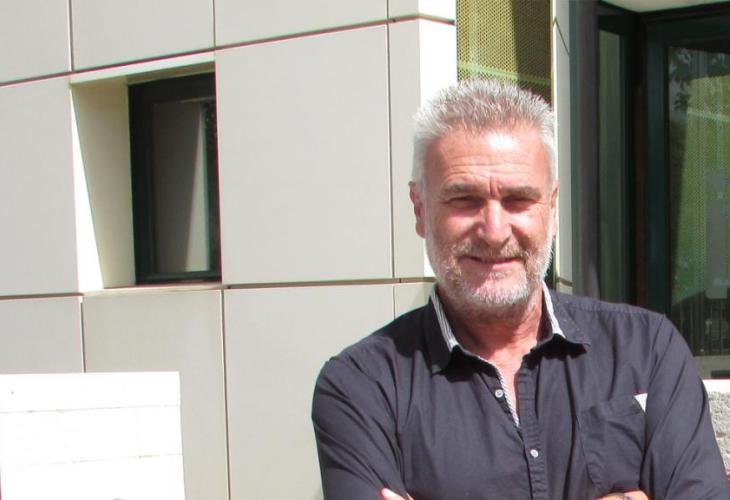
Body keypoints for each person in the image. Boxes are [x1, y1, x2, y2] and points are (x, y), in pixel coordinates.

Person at [311, 79, 729, 500]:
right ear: (420, 209)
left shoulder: (647, 349)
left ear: (552, 207)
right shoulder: (362, 388)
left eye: (517, 200)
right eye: (464, 199)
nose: (494, 232)